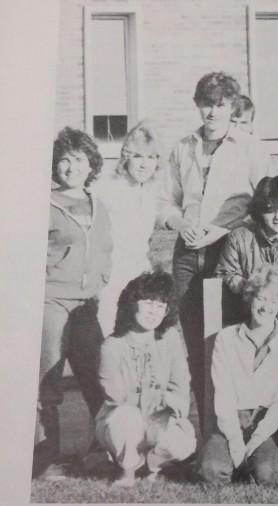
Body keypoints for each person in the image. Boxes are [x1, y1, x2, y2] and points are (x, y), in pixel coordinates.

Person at [160, 72, 272, 429]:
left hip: (229, 248)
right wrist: (182, 225)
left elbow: (263, 200)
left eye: (220, 105)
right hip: (188, 251)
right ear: (197, 104)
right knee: (193, 336)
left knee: (230, 334)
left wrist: (221, 228)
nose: (212, 111)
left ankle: (237, 421)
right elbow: (166, 201)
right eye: (206, 103)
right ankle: (205, 423)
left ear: (231, 106)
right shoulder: (182, 146)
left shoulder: (250, 147)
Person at [35, 127, 113, 478]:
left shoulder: (99, 206)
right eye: (64, 159)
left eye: (79, 159)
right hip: (51, 301)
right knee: (48, 381)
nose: (71, 166)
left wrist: (100, 282)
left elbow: (105, 250)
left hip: (86, 307)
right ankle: (44, 456)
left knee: (98, 379)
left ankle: (101, 450)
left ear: (91, 164)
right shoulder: (43, 203)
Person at [200, 265, 278, 485]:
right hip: (231, 420)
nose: (266, 307)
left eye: (274, 301)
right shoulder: (226, 338)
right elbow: (223, 393)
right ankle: (236, 462)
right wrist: (234, 439)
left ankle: (255, 463)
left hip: (268, 424)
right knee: (211, 471)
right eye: (261, 298)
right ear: (250, 298)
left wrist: (257, 438)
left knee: (268, 475)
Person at [95, 271, 196, 486]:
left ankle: (151, 466)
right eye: (149, 303)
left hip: (160, 416)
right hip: (122, 421)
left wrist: (169, 410)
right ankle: (127, 471)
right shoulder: (112, 346)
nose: (154, 312)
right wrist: (160, 398)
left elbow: (180, 387)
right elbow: (116, 397)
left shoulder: (170, 339)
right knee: (127, 417)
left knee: (182, 443)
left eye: (161, 306)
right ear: (132, 304)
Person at [93, 122, 166, 336]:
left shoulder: (151, 190)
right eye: (138, 156)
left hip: (139, 270)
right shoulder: (109, 185)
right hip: (110, 273)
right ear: (126, 157)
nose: (144, 164)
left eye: (151, 157)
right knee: (109, 331)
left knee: (139, 333)